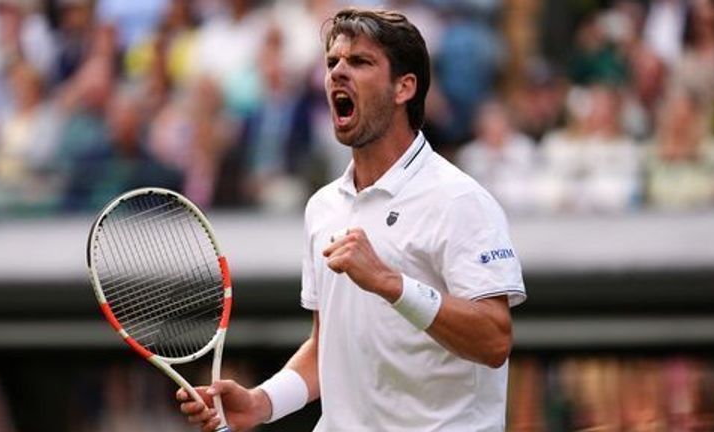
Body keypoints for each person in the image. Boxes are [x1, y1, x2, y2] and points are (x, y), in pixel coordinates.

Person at [177, 7, 526, 432]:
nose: (337, 73)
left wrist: (391, 283)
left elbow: (494, 340)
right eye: (331, 63)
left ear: (404, 87)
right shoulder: (323, 207)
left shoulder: (460, 200)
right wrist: (260, 402)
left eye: (359, 62)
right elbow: (329, 346)